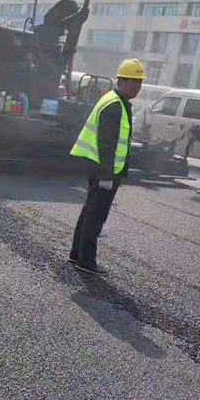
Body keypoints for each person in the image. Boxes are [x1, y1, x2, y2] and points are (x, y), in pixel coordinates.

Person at [68, 58, 144, 276]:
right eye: (135, 81)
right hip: (103, 169)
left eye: (140, 82)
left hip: (98, 166)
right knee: (96, 215)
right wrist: (107, 176)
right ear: (123, 80)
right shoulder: (114, 106)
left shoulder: (115, 100)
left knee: (89, 211)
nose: (138, 87)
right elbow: (107, 145)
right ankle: (86, 260)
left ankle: (77, 254)